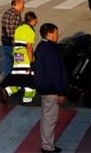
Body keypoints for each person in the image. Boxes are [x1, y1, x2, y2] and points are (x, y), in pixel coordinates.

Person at [33, 23, 67, 153]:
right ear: (49, 34)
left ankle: (47, 144)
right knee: (50, 119)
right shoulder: (50, 50)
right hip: (51, 89)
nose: (58, 35)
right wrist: (60, 92)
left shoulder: (42, 46)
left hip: (44, 87)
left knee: (46, 116)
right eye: (56, 33)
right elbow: (55, 73)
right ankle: (47, 146)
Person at [7, 11, 39, 104]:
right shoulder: (30, 30)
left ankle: (8, 91)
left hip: (17, 53)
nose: (36, 22)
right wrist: (31, 60)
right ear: (32, 20)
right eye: (36, 20)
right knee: (29, 75)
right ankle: (27, 99)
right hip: (24, 54)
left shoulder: (19, 28)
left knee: (19, 74)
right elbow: (29, 47)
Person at [0, 0, 25, 79]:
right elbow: (14, 31)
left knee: (8, 64)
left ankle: (7, 82)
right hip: (14, 45)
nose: (24, 7)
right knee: (20, 65)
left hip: (5, 43)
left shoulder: (6, 12)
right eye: (23, 5)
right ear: (18, 4)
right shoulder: (16, 15)